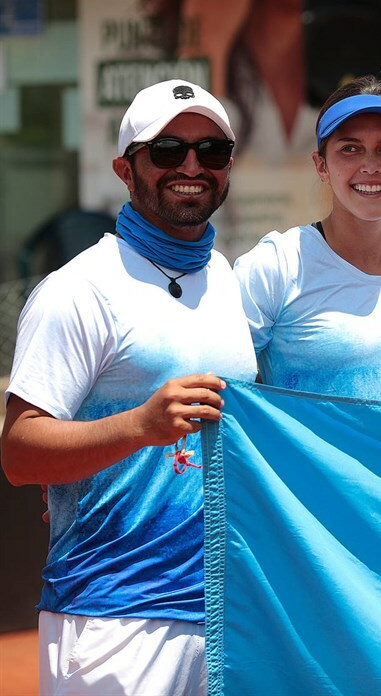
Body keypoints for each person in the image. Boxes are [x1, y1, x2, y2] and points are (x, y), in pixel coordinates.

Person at [2, 80, 256, 695]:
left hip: (229, 615)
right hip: (114, 615)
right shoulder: (77, 290)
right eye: (167, 150)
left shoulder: (227, 279)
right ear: (125, 168)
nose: (191, 166)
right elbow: (18, 452)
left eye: (211, 151)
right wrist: (138, 427)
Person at [235, 75, 381, 401]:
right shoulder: (277, 263)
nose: (370, 166)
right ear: (321, 165)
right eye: (350, 149)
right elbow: (221, 383)